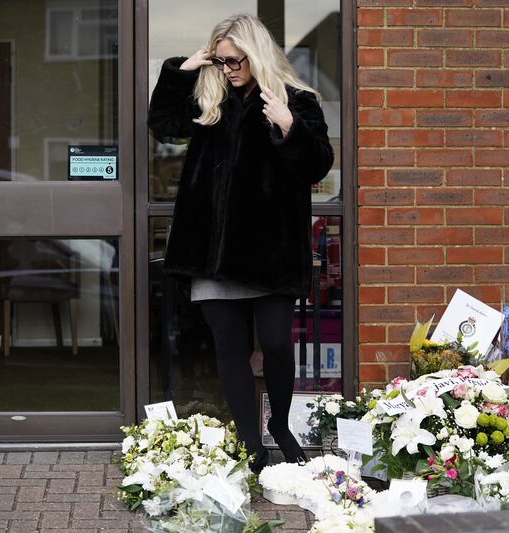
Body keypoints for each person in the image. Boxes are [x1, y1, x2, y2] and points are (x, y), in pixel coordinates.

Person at [148, 14, 334, 472]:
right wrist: (184, 68)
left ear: (256, 55)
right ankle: (251, 443)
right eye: (221, 60)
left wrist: (290, 126)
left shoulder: (298, 101)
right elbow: (162, 123)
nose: (228, 68)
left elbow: (317, 166)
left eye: (234, 60)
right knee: (228, 349)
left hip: (271, 252)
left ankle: (282, 427)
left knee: (275, 343)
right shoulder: (211, 98)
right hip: (213, 252)